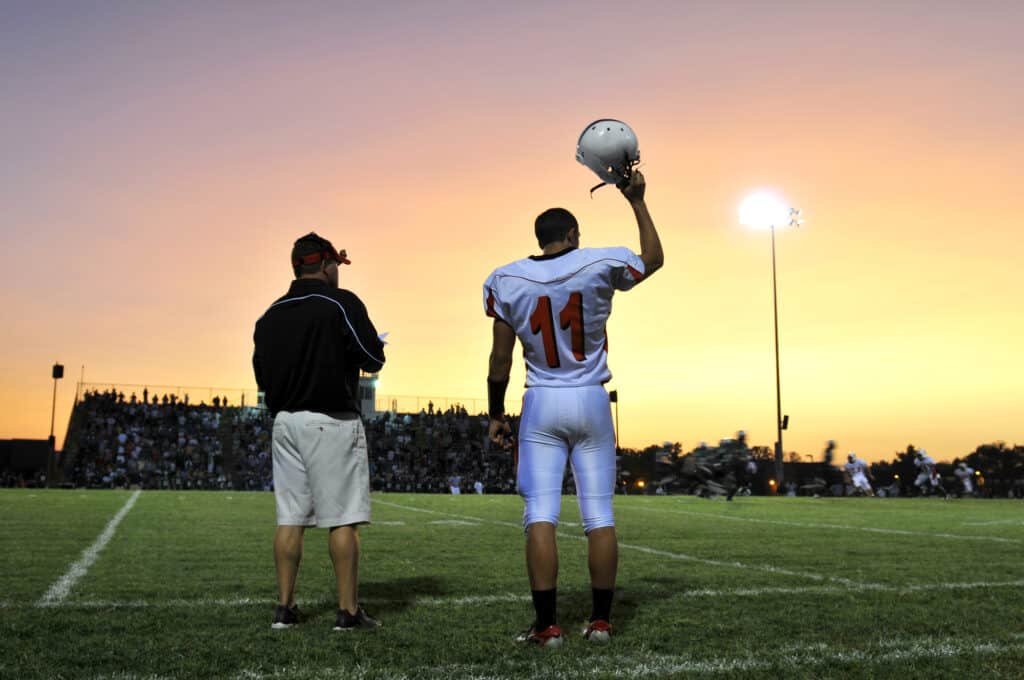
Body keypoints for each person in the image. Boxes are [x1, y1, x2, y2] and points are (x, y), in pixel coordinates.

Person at [483, 169, 663, 647]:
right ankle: (601, 623)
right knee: (598, 516)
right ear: (573, 235)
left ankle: (548, 627)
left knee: (540, 515)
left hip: (542, 401)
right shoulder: (599, 262)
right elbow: (653, 259)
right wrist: (637, 201)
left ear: (539, 240)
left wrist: (495, 413)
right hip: (592, 398)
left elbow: (500, 360)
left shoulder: (505, 278)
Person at [253, 232, 386, 632]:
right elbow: (373, 358)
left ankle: (285, 608)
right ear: (327, 265)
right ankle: (347, 612)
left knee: (290, 518)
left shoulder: (269, 314)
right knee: (343, 517)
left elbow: (262, 376)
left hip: (285, 422)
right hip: (330, 420)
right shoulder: (340, 302)